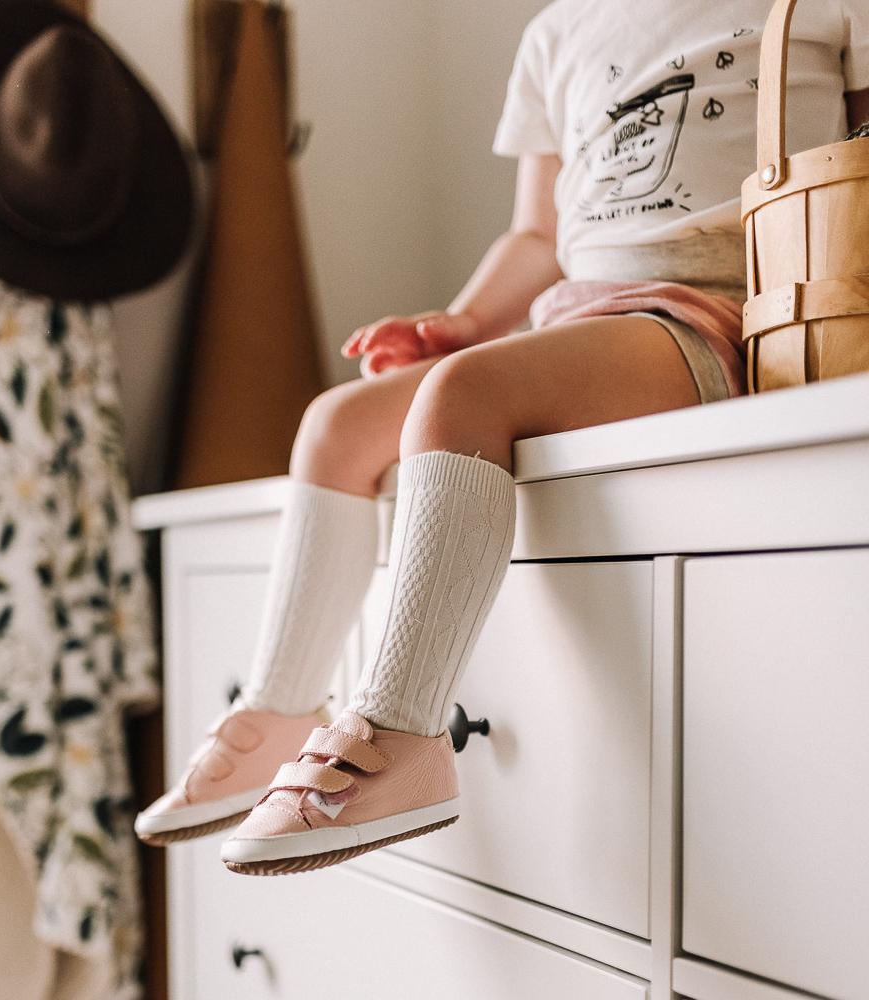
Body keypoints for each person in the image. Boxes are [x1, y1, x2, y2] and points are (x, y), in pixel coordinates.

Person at [136, 0, 869, 874]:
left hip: (710, 316)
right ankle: (280, 707)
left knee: (460, 398)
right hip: (574, 317)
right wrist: (467, 319)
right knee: (334, 423)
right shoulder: (559, 34)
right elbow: (536, 232)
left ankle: (400, 730)